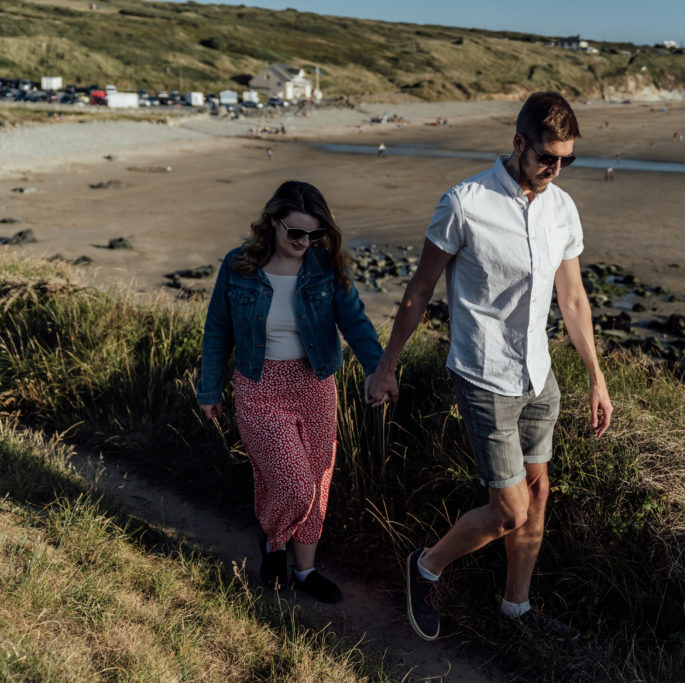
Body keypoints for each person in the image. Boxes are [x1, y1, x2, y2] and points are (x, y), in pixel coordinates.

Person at [365, 92, 613, 641]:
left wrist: (596, 377)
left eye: (567, 159)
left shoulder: (561, 208)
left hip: (537, 374)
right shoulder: (465, 202)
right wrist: (387, 365)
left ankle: (515, 611)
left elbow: (572, 299)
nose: (555, 169)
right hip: (484, 376)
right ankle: (426, 566)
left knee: (539, 494)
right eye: (548, 156)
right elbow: (420, 289)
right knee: (510, 512)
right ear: (518, 142)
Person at [196, 180, 383, 603]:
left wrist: (379, 369)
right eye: (296, 232)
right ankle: (274, 543)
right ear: (273, 223)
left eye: (315, 234)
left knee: (317, 484)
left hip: (315, 386)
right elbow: (218, 331)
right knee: (294, 483)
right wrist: (209, 387)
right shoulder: (239, 266)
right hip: (259, 387)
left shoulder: (324, 268)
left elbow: (355, 322)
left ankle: (305, 570)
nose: (306, 242)